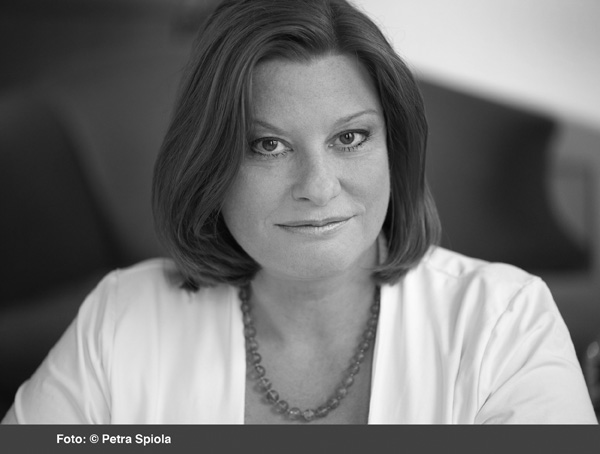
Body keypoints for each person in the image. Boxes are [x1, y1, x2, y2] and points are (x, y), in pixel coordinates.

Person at [2, 0, 596, 424]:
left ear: (396, 148)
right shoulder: (123, 317)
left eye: (350, 138)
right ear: (209, 165)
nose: (317, 187)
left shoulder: (505, 320)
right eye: (268, 145)